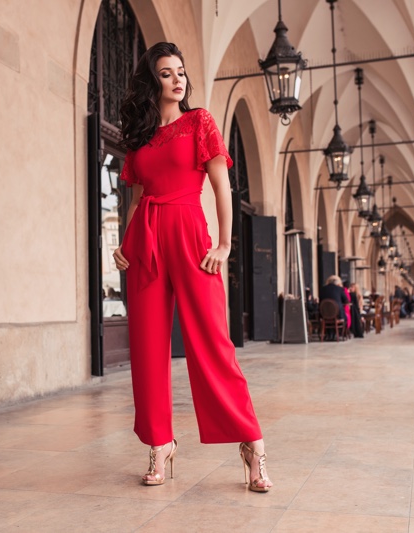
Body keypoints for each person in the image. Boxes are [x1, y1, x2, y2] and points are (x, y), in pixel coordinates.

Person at [112, 42, 272, 492]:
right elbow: (139, 197)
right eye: (167, 73)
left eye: (181, 71)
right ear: (153, 81)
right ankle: (160, 444)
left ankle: (252, 446)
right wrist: (124, 243)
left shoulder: (199, 121)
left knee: (212, 343)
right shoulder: (141, 137)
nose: (178, 79)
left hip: (189, 233)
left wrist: (224, 243)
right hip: (145, 239)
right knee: (146, 349)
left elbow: (221, 185)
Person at [319, 275, 348, 339]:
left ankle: (328, 334)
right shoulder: (340, 289)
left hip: (324, 313)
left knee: (328, 318)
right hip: (337, 314)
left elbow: (321, 300)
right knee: (346, 317)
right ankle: (341, 334)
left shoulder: (322, 289)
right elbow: (346, 300)